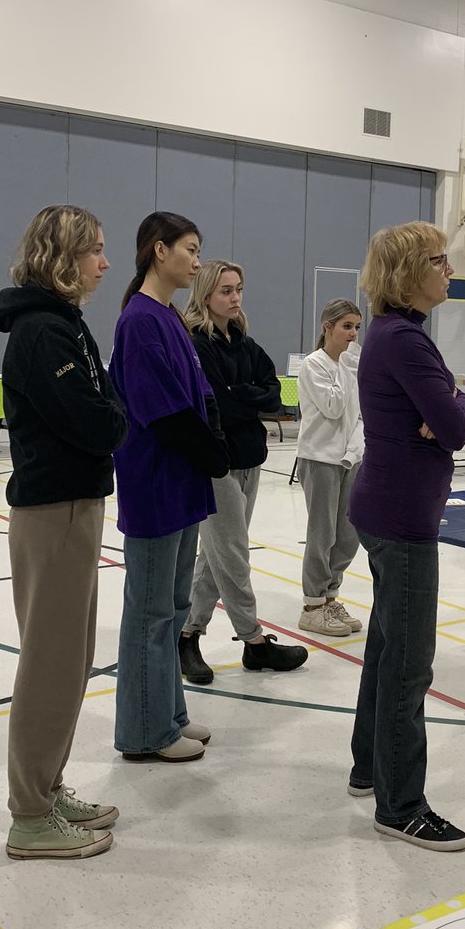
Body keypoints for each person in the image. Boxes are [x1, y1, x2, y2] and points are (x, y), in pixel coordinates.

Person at [0, 205, 128, 860]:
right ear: (63, 257)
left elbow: (102, 411)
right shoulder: (42, 330)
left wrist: (111, 413)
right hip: (54, 508)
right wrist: (118, 418)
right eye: (94, 250)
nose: (104, 262)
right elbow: (95, 423)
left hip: (74, 502)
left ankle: (48, 785)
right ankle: (30, 815)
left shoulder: (60, 323)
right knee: (49, 663)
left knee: (69, 660)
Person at [349, 222, 465, 853]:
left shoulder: (397, 335)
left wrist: (450, 406)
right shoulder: (406, 341)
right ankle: (400, 804)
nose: (448, 270)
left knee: (385, 643)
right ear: (407, 273)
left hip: (387, 504)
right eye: (438, 261)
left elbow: (448, 417)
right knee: (408, 663)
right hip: (401, 517)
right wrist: (453, 403)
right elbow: (453, 426)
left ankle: (370, 766)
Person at [110, 212, 229, 764]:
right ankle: (144, 732)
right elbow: (163, 412)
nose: (198, 261)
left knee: (174, 607)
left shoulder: (170, 317)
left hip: (182, 483)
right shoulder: (139, 320)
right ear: (159, 251)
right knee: (150, 613)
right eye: (191, 248)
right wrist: (211, 453)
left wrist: (217, 440)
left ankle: (170, 715)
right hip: (157, 483)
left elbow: (200, 393)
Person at [178, 260, 307, 682]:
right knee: (232, 554)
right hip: (217, 464)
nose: (234, 298)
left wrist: (244, 396)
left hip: (250, 459)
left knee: (215, 556)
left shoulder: (244, 342)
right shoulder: (197, 343)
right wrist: (245, 398)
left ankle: (187, 634)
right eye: (225, 291)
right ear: (205, 296)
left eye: (238, 290)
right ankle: (253, 641)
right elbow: (218, 402)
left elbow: (276, 392)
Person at [296, 299, 364, 638]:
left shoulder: (346, 367)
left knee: (347, 536)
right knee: (321, 534)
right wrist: (350, 371)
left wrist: (357, 450)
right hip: (319, 458)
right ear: (328, 327)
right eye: (346, 326)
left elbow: (358, 416)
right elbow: (335, 408)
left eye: (356, 327)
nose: (353, 334)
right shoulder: (315, 365)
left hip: (347, 459)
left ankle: (330, 595)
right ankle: (312, 604)